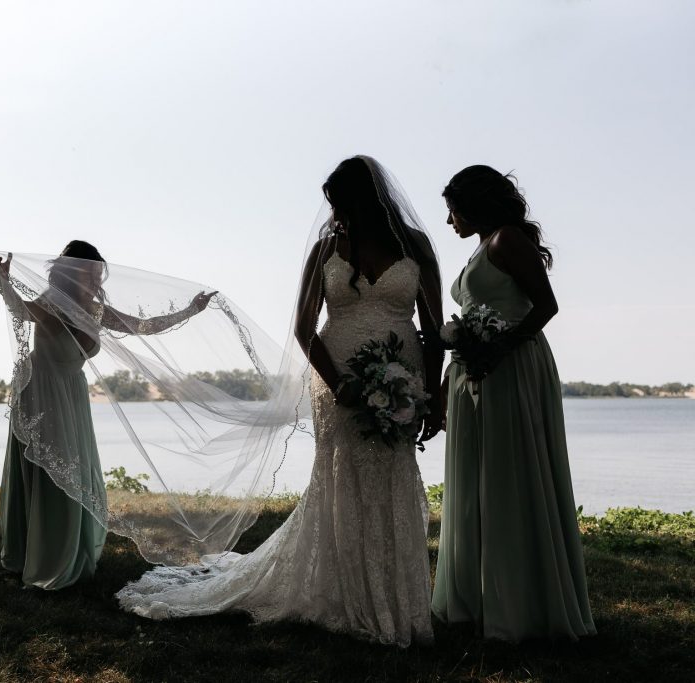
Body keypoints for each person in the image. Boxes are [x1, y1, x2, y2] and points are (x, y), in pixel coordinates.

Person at [116, 156, 444, 647]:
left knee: (393, 479)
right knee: (340, 477)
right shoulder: (326, 250)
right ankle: (344, 593)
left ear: (367, 200)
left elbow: (436, 329)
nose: (336, 214)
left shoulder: (414, 247)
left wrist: (434, 397)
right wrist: (339, 385)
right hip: (336, 383)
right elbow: (304, 327)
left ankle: (395, 602)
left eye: (342, 203)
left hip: (403, 381)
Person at [431, 165, 596, 641]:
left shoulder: (506, 241)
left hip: (514, 368)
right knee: (475, 482)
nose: (450, 222)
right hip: (474, 371)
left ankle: (521, 604)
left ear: (475, 205)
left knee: (510, 476)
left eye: (453, 211)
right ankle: (476, 599)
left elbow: (546, 306)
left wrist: (500, 346)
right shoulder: (483, 247)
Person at [0, 240, 214, 589]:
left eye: (97, 275)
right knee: (51, 473)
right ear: (69, 275)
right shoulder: (52, 304)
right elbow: (20, 310)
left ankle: (68, 550)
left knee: (77, 469)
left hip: (72, 391)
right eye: (88, 275)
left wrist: (189, 311)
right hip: (42, 391)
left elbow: (143, 326)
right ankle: (44, 557)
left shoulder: (95, 311)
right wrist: (3, 281)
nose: (95, 282)